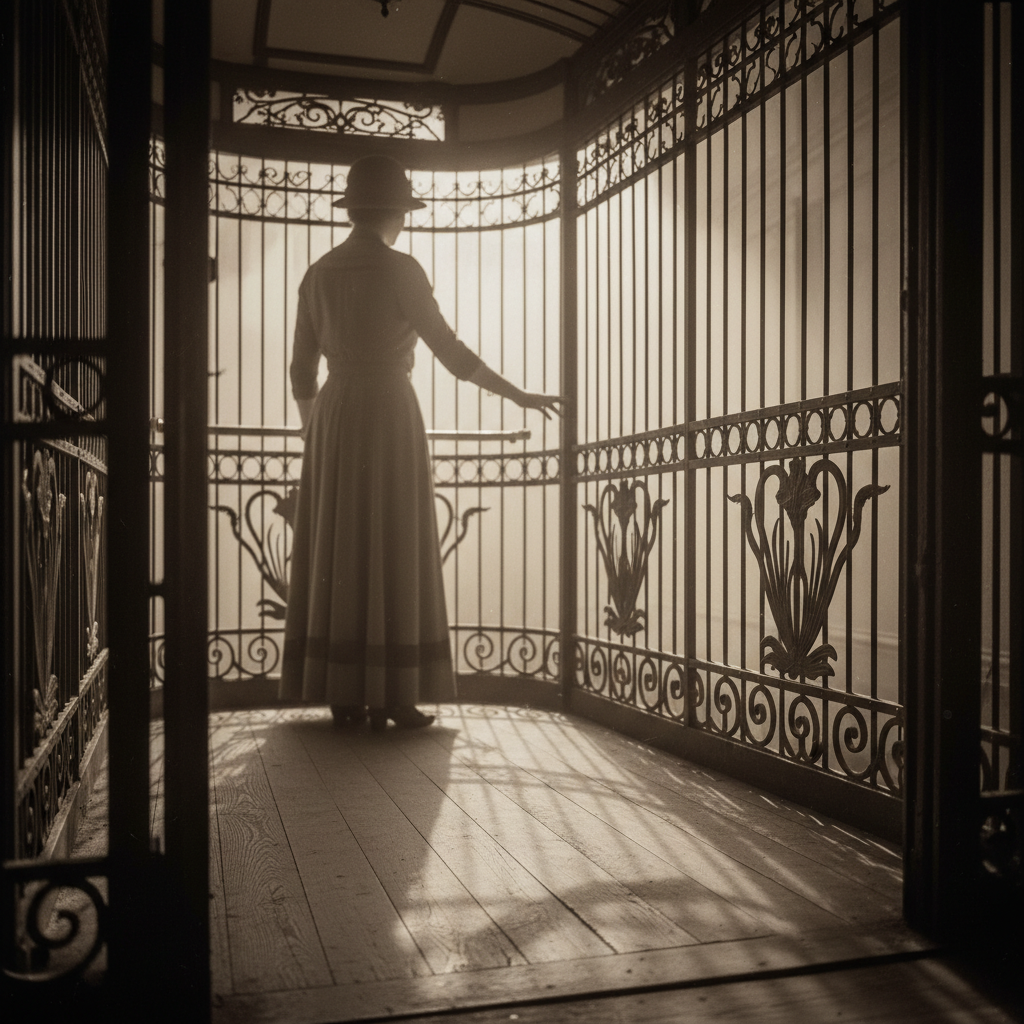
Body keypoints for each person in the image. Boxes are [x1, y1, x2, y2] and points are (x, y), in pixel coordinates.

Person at [280, 155, 561, 731]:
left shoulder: (318, 274)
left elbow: (300, 372)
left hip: (334, 414)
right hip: (388, 411)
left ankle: (343, 692)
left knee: (343, 542)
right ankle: (393, 693)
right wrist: (519, 395)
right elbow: (452, 354)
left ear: (354, 210)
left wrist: (316, 431)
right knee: (394, 537)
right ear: (395, 214)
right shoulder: (402, 270)